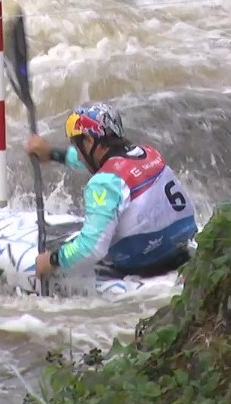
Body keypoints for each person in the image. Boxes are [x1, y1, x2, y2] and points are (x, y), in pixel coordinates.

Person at [24, 101, 198, 279]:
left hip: (145, 265)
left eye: (77, 146)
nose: (79, 154)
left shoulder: (103, 183)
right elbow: (104, 166)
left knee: (68, 246)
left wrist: (53, 260)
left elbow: (92, 248)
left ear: (89, 141)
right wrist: (53, 154)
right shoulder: (148, 153)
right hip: (183, 249)